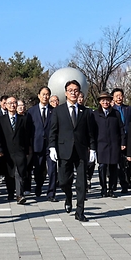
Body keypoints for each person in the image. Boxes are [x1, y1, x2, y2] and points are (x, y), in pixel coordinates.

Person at [49, 80, 97, 222]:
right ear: (65, 93)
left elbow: (91, 133)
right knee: (64, 181)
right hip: (64, 150)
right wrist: (52, 147)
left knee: (82, 183)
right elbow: (53, 131)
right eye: (70, 90)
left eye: (76, 90)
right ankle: (68, 196)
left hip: (81, 151)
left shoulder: (86, 111)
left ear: (79, 92)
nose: (73, 93)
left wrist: (93, 149)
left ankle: (80, 211)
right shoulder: (58, 111)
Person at [0, 96, 31, 203]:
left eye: (14, 103)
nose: (12, 105)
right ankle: (10, 192)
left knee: (19, 172)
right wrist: (0, 150)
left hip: (20, 150)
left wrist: (27, 151)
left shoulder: (23, 119)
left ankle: (20, 195)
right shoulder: (0, 120)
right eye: (10, 103)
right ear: (6, 105)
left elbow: (27, 136)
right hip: (7, 151)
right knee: (9, 173)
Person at [93, 91, 125, 198]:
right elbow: (92, 131)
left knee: (113, 167)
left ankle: (112, 189)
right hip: (101, 144)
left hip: (114, 144)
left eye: (107, 100)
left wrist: (123, 142)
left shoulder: (116, 113)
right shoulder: (95, 114)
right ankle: (103, 188)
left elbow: (121, 128)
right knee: (102, 166)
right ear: (100, 102)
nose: (105, 102)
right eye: (103, 100)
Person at [28, 86, 57, 201]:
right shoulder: (31, 111)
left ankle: (51, 193)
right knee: (38, 170)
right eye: (43, 94)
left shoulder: (54, 111)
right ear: (39, 96)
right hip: (37, 145)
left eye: (47, 94)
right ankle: (39, 186)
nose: (45, 96)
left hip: (51, 145)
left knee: (52, 170)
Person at [111, 88, 131, 193]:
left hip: (129, 137)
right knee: (120, 163)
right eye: (116, 96)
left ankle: (127, 177)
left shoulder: (128, 109)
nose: (119, 97)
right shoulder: (111, 110)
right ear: (113, 97)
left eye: (120, 95)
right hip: (117, 139)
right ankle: (123, 183)